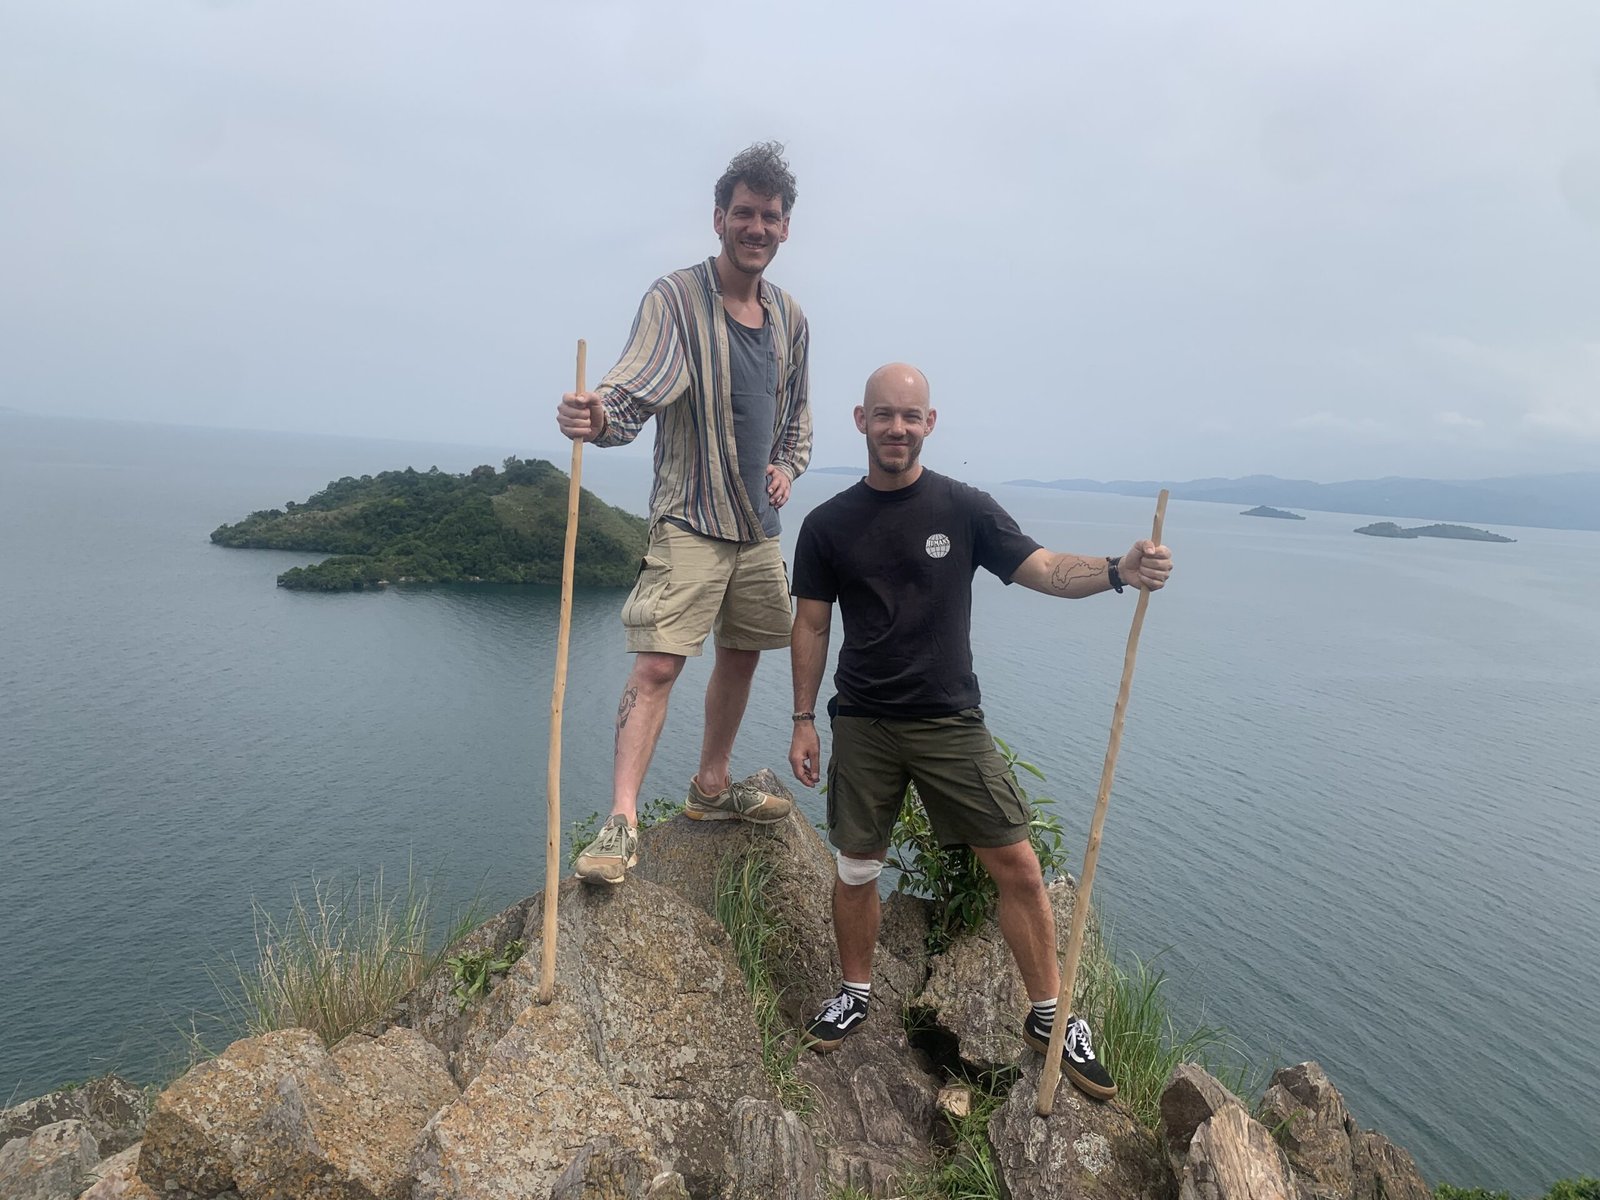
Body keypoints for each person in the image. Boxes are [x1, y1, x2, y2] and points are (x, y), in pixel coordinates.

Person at [786, 363, 1172, 1100]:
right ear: (860, 420)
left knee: (1019, 867)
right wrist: (803, 719)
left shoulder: (964, 509)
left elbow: (1045, 568)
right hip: (863, 720)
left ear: (930, 424)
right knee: (857, 865)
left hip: (947, 720)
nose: (897, 428)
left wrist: (1119, 570)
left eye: (911, 416)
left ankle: (1050, 1017)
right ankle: (856, 993)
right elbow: (809, 622)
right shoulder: (828, 523)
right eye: (884, 415)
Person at [556, 142, 811, 885]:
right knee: (662, 660)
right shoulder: (676, 298)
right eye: (744, 213)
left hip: (757, 527)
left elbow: (797, 419)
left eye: (770, 216)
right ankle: (623, 819)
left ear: (785, 227)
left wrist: (786, 468)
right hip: (691, 516)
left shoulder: (791, 318)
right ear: (718, 220)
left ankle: (710, 787)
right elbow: (639, 386)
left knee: (742, 650)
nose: (756, 227)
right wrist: (597, 415)